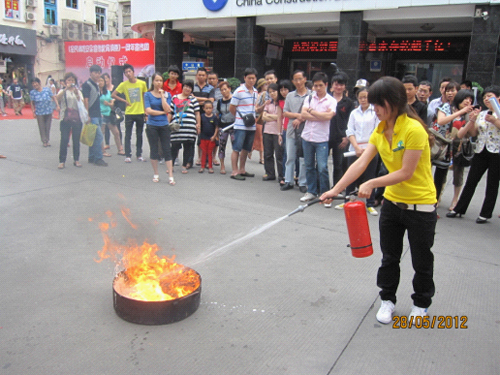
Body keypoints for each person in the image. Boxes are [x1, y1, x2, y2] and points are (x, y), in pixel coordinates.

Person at [320, 76, 437, 324]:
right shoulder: (381, 129)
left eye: (377, 105)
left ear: (393, 102)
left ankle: (421, 304)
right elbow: (361, 162)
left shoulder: (414, 130)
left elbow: (406, 172)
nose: (374, 110)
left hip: (421, 206)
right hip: (392, 205)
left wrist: (372, 183)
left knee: (421, 260)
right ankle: (387, 300)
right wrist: (335, 189)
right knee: (389, 257)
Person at [447, 85, 500, 223]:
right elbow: (475, 133)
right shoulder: (482, 113)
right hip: (481, 150)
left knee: (492, 183)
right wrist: (472, 120)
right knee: (471, 180)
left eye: (489, 96)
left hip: (497, 151)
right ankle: (459, 208)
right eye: (484, 97)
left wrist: (495, 121)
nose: (486, 99)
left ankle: (485, 213)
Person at [335, 87, 380, 215]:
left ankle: (370, 204)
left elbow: (377, 131)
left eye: (365, 97)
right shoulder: (354, 113)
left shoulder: (375, 112)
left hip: (371, 149)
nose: (363, 100)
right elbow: (350, 131)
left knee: (369, 176)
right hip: (354, 149)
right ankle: (347, 200)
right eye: (360, 97)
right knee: (351, 175)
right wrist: (356, 147)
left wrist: (368, 149)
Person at [300, 72, 336, 205]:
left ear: (326, 85)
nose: (318, 88)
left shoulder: (331, 100)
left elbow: (328, 117)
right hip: (307, 137)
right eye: (315, 86)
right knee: (308, 165)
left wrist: (312, 112)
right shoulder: (309, 98)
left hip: (321, 139)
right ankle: (311, 191)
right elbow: (303, 114)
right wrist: (320, 115)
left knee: (322, 167)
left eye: (321, 85)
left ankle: (325, 194)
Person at [432, 81, 465, 204]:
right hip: (437, 144)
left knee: (441, 177)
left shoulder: (462, 109)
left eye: (453, 90)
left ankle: (435, 202)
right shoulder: (446, 106)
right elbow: (441, 121)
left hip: (450, 148)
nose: (450, 93)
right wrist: (460, 113)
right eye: (448, 91)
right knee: (428, 174)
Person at [112, 63, 148, 163]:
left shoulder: (142, 83)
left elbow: (144, 97)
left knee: (139, 134)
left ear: (133, 72)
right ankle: (128, 155)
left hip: (140, 112)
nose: (128, 74)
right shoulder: (124, 85)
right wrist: (124, 101)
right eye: (126, 72)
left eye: (129, 71)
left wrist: (145, 112)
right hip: (129, 113)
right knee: (128, 135)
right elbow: (113, 94)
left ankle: (139, 154)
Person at [446, 89, 475, 211]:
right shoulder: (450, 110)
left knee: (458, 174)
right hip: (447, 144)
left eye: (470, 99)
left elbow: (473, 133)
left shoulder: (471, 114)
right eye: (465, 99)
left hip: (461, 147)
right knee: (441, 171)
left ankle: (455, 198)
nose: (468, 101)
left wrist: (471, 119)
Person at [282, 70, 310, 193]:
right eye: (295, 80)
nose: (298, 82)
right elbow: (285, 112)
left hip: (306, 130)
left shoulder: (311, 95)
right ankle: (288, 180)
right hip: (291, 130)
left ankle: (303, 182)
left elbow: (311, 112)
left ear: (305, 79)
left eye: (300, 79)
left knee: (303, 158)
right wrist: (298, 115)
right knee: (290, 157)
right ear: (293, 81)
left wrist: (300, 118)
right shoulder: (290, 95)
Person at [144, 72, 175, 184]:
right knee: (154, 150)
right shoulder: (147, 94)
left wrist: (162, 95)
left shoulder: (167, 95)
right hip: (152, 125)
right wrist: (162, 112)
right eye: (156, 80)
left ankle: (170, 176)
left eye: (160, 81)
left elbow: (167, 108)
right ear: (153, 81)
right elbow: (148, 111)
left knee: (167, 149)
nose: (158, 83)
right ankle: (156, 173)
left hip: (164, 125)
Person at [229, 67, 258, 181]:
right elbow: (232, 107)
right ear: (245, 78)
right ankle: (234, 171)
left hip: (251, 125)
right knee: (237, 148)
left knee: (246, 148)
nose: (251, 80)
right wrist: (239, 117)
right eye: (249, 78)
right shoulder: (239, 91)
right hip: (240, 125)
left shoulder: (255, 91)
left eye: (253, 78)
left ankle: (242, 169)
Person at [329, 71, 354, 187]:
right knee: (321, 163)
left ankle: (337, 188)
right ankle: (322, 187)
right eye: (336, 84)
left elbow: (351, 121)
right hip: (325, 136)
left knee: (339, 164)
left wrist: (346, 137)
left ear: (345, 86)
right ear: (332, 85)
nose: (338, 87)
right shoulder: (326, 99)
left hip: (341, 138)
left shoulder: (348, 102)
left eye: (341, 84)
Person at [170, 80, 201, 174]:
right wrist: (167, 124)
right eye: (186, 86)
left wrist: (198, 125)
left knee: (187, 147)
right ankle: (170, 166)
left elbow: (197, 113)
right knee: (174, 147)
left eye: (190, 87)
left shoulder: (193, 100)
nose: (187, 88)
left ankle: (184, 165)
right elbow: (170, 112)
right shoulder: (174, 98)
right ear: (182, 87)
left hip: (189, 127)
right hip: (177, 127)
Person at [81, 64, 107, 166]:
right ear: (91, 73)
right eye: (96, 73)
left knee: (92, 137)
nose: (98, 75)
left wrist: (100, 113)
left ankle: (91, 157)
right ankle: (98, 158)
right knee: (99, 137)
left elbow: (96, 101)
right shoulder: (87, 84)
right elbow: (86, 100)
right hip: (92, 115)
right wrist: (87, 115)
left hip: (97, 114)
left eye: (99, 73)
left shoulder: (96, 85)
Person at [56, 72, 84, 169]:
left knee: (76, 140)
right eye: (68, 80)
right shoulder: (63, 91)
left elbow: (82, 102)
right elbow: (57, 98)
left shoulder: (78, 91)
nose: (70, 82)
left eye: (72, 80)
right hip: (65, 118)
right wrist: (66, 89)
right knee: (64, 139)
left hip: (76, 118)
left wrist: (77, 95)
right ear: (65, 81)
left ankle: (76, 160)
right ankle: (62, 161)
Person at [261, 83, 283, 182]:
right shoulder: (268, 103)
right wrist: (275, 117)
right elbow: (263, 117)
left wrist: (272, 117)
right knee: (268, 153)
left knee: (279, 155)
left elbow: (281, 117)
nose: (272, 93)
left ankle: (282, 175)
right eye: (270, 92)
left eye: (274, 91)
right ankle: (270, 173)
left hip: (278, 131)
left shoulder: (282, 103)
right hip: (267, 130)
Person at [30, 78, 59, 147]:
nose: (35, 84)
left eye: (35, 83)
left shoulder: (47, 89)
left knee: (48, 126)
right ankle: (44, 141)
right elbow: (31, 103)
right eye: (33, 84)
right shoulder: (32, 92)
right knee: (42, 127)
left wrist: (57, 105)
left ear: (39, 83)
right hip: (39, 112)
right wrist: (33, 112)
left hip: (48, 111)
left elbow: (53, 97)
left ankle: (47, 140)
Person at [99, 76, 124, 156]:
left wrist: (109, 104)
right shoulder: (96, 92)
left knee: (116, 132)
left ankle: (120, 149)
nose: (101, 82)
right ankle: (103, 151)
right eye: (99, 81)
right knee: (101, 133)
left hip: (109, 114)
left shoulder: (108, 92)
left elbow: (112, 103)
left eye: (102, 81)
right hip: (101, 114)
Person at [216, 81, 235, 175]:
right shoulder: (220, 101)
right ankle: (222, 165)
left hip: (234, 126)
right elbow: (217, 114)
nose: (223, 91)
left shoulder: (234, 99)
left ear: (229, 89)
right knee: (221, 146)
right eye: (221, 90)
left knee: (235, 146)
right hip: (223, 126)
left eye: (225, 89)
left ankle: (235, 166)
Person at [198, 101, 220, 174]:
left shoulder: (214, 117)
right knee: (203, 152)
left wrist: (214, 136)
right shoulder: (202, 116)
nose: (208, 110)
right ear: (203, 108)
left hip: (211, 138)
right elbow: (200, 126)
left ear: (212, 108)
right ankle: (202, 166)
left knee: (210, 153)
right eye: (206, 108)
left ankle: (210, 167)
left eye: (210, 108)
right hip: (203, 138)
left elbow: (216, 127)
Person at [278, 79, 292, 185]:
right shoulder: (280, 102)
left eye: (285, 89)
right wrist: (279, 133)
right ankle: (284, 176)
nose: (283, 92)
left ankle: (295, 175)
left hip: (295, 129)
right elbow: (279, 118)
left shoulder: (293, 99)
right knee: (286, 155)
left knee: (296, 156)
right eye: (281, 90)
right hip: (285, 129)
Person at [251, 78, 267, 165]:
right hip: (259, 118)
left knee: (259, 138)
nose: (267, 86)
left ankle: (251, 148)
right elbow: (256, 108)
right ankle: (261, 157)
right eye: (265, 84)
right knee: (260, 138)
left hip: (266, 118)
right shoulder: (258, 95)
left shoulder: (268, 94)